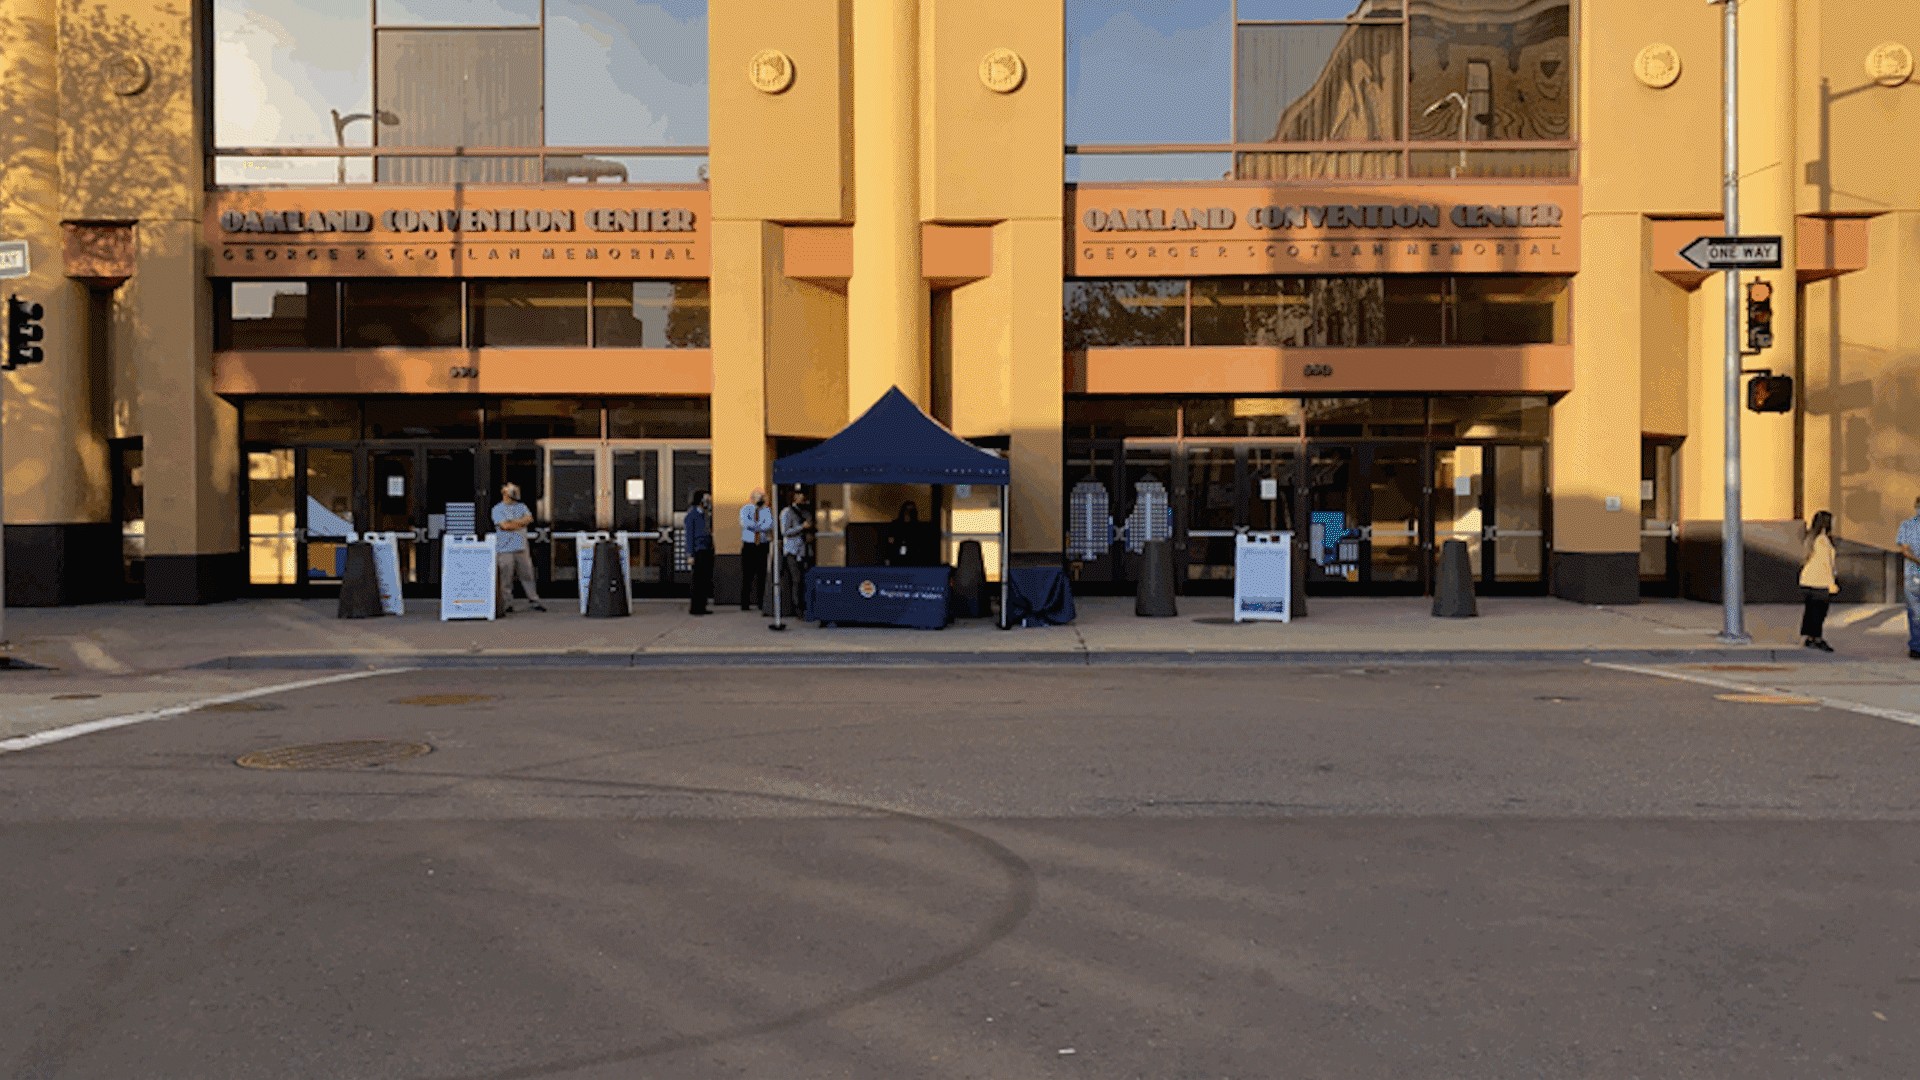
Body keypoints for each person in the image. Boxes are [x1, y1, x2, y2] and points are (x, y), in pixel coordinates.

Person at [490, 483, 545, 614]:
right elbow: (504, 526)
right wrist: (520, 523)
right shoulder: (497, 509)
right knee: (505, 577)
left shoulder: (521, 506)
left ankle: (534, 600)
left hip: (521, 547)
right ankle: (506, 603)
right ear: (505, 493)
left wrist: (512, 523)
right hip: (504, 549)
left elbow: (529, 519)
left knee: (528, 574)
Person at [1798, 510, 1838, 652]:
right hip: (1819, 581)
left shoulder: (1810, 538)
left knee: (1810, 610)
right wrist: (1831, 583)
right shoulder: (1822, 540)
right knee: (1819, 612)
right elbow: (1825, 563)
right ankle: (1817, 638)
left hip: (1807, 580)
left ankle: (1809, 637)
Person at [779, 488, 814, 618]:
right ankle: (797, 608)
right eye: (799, 495)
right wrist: (801, 528)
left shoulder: (806, 512)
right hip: (792, 550)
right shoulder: (787, 512)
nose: (802, 497)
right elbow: (785, 532)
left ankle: (807, 605)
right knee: (797, 579)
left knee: (806, 578)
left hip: (806, 550)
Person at [739, 487, 774, 612]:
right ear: (752, 498)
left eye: (762, 497)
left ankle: (761, 603)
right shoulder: (745, 509)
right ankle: (745, 603)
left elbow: (769, 524)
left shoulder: (767, 511)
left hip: (762, 545)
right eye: (758, 496)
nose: (760, 499)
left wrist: (756, 527)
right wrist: (760, 526)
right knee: (747, 575)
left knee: (762, 574)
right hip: (749, 545)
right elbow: (745, 523)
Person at [685, 489, 715, 615]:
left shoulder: (706, 515)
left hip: (707, 549)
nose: (708, 502)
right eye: (706, 499)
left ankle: (703, 605)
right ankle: (696, 607)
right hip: (698, 550)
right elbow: (689, 536)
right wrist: (690, 554)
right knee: (698, 580)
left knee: (705, 579)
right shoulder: (692, 515)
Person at [1900, 495, 1920, 660]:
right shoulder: (1906, 525)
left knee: (1914, 612)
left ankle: (1916, 647)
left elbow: (1905, 550)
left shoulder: (1906, 525)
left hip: (1912, 574)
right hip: (1913, 574)